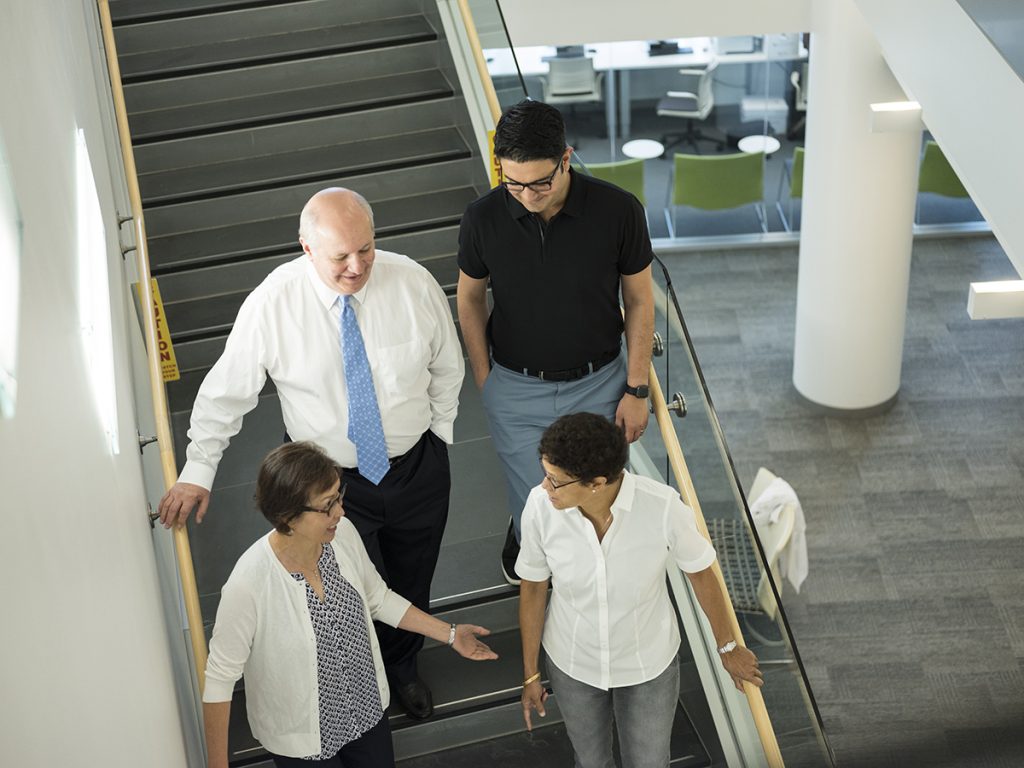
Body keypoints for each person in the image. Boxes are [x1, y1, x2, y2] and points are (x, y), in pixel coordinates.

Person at [158, 188, 464, 719]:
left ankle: (404, 667)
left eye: (366, 250)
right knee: (345, 586)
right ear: (306, 247)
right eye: (340, 256)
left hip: (417, 469)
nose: (356, 267)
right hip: (326, 486)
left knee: (413, 574)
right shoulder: (273, 304)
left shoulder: (412, 282)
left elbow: (446, 367)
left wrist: (439, 437)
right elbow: (225, 392)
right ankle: (361, 676)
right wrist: (198, 469)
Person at [456, 99, 655, 585]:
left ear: (566, 158)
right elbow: (469, 299)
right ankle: (536, 561)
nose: (526, 195)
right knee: (534, 499)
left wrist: (637, 388)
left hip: (601, 382)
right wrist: (487, 380)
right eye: (513, 182)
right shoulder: (483, 218)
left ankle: (595, 579)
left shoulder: (619, 211)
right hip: (515, 385)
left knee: (593, 490)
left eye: (540, 182)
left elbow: (640, 301)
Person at [203, 442, 497, 768]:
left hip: (366, 712)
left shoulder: (341, 534)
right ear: (288, 516)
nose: (340, 512)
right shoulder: (248, 583)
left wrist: (451, 634)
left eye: (339, 497)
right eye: (328, 505)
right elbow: (219, 677)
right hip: (304, 741)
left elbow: (378, 598)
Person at [517, 413, 763, 768]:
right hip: (574, 661)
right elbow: (534, 588)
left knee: (649, 762)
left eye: (556, 481)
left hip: (648, 665)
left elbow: (701, 573)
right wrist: (530, 673)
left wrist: (727, 646)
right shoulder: (540, 507)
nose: (544, 487)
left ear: (596, 483)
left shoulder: (662, 507)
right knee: (590, 760)